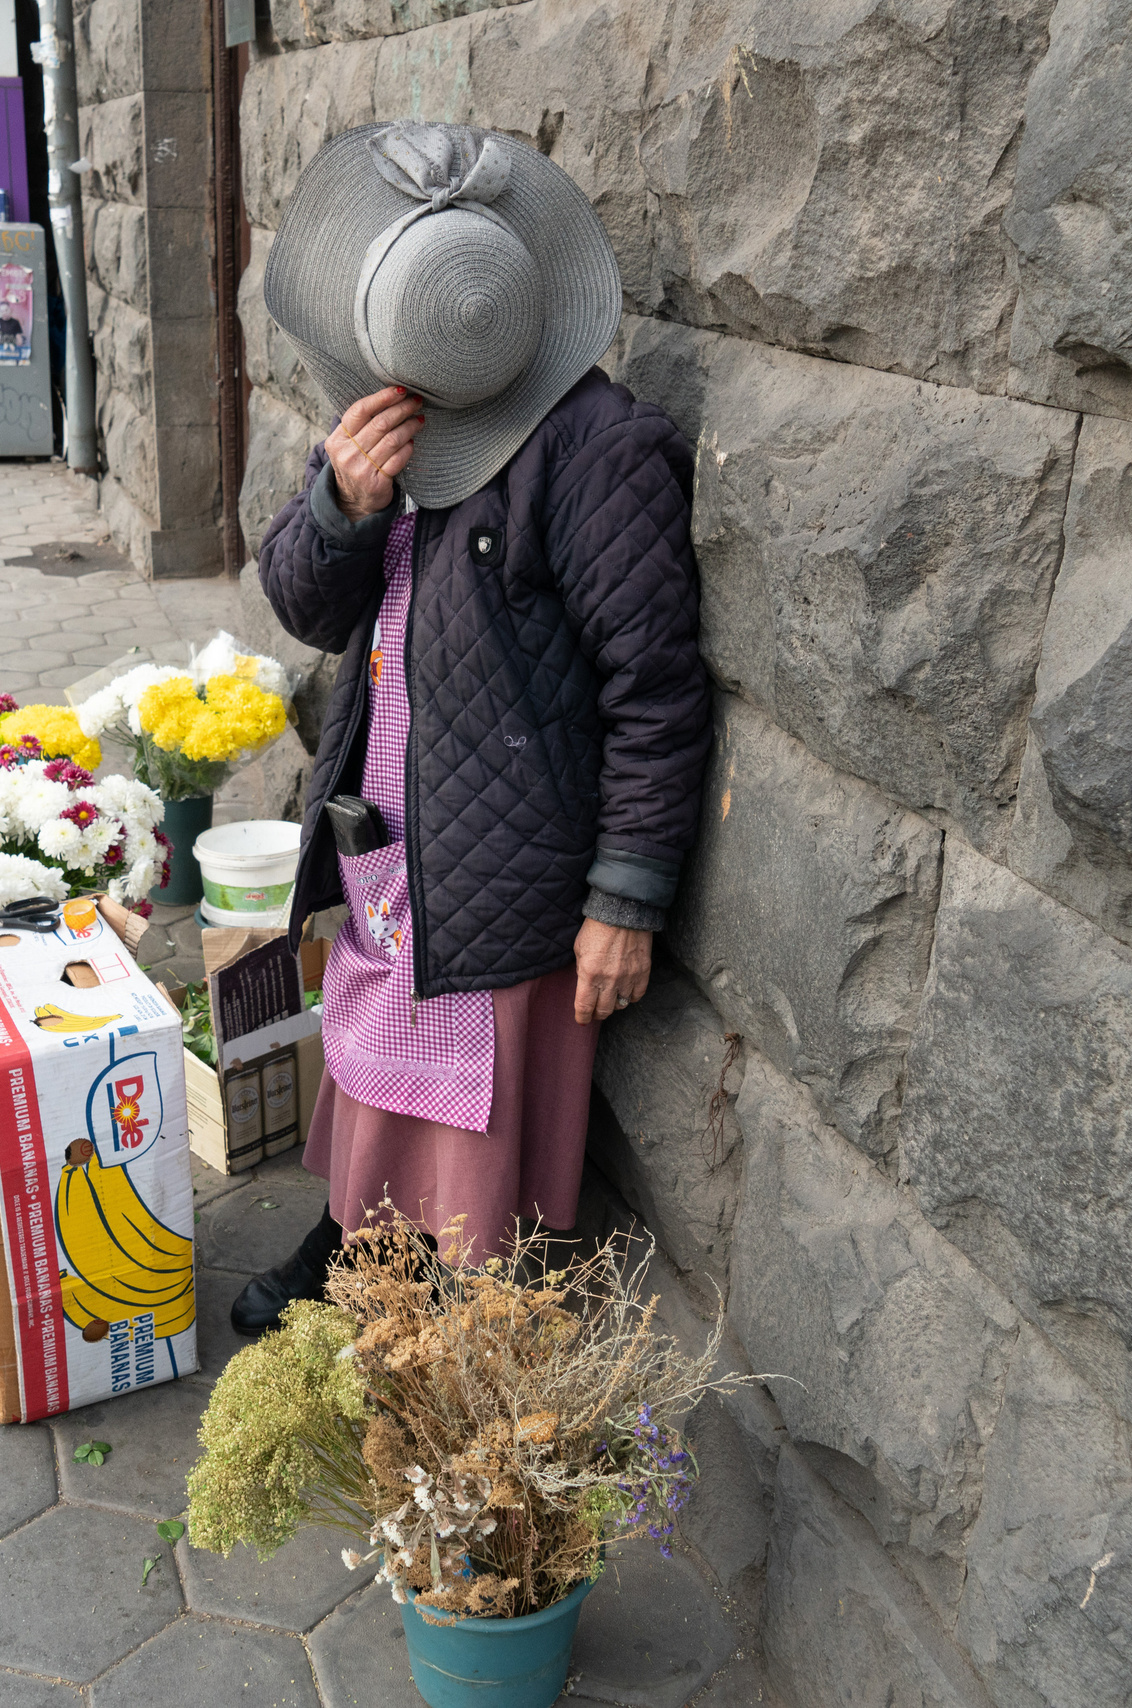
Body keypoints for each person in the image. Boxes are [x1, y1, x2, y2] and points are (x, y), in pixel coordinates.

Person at [233, 121, 709, 1332]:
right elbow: (304, 603)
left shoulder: (598, 450)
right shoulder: (374, 413)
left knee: (463, 1117)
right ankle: (353, 1245)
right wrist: (340, 504)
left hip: (505, 867)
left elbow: (654, 690)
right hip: (391, 837)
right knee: (375, 1056)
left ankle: (447, 1330)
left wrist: (627, 898)